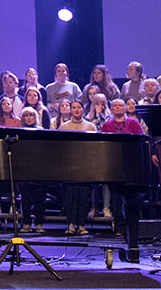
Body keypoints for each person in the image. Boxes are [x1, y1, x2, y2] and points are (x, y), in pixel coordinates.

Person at [57, 100, 96, 235]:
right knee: (70, 196)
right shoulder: (64, 127)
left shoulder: (90, 126)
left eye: (79, 107)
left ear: (83, 110)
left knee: (83, 196)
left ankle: (81, 224)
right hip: (69, 166)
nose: (76, 110)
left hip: (85, 165)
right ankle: (70, 224)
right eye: (74, 108)